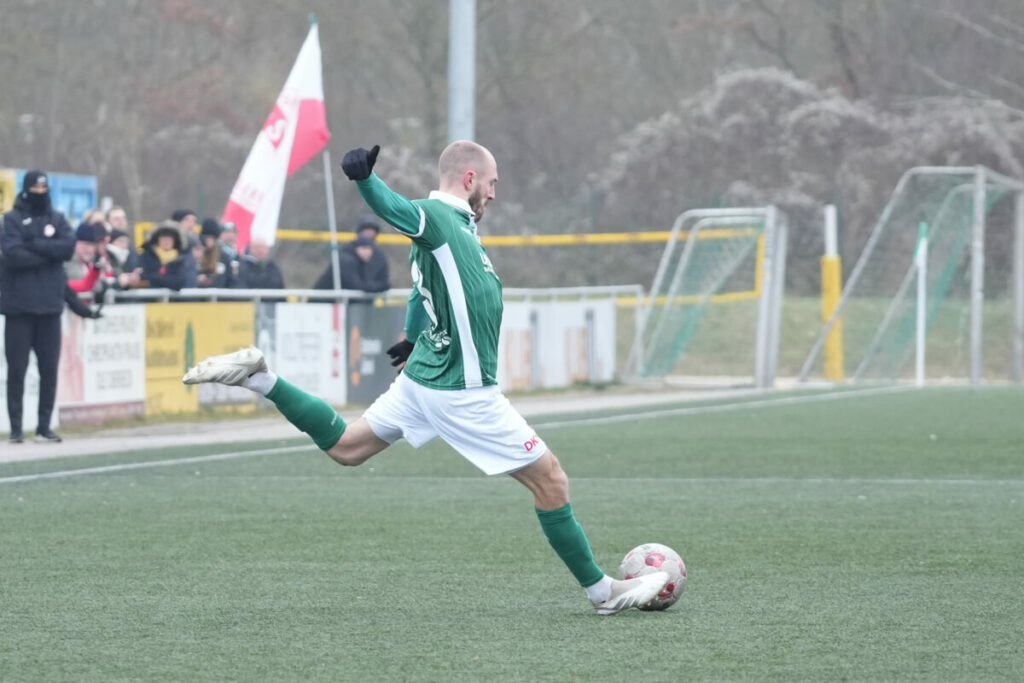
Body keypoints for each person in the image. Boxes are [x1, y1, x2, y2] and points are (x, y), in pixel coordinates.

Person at [182, 141, 668, 615]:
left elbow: (421, 289)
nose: (494, 193)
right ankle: (603, 593)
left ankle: (261, 379)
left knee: (347, 448)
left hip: (422, 379)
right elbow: (398, 211)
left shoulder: (458, 231)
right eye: (492, 183)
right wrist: (366, 180)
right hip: (462, 390)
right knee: (551, 480)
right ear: (470, 178)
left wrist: (413, 337)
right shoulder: (437, 216)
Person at [0, 171, 75, 443]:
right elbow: (13, 255)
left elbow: (67, 248)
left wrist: (34, 245)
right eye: (35, 187)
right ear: (26, 189)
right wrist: (49, 254)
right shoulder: (12, 219)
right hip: (19, 309)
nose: (40, 192)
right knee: (17, 372)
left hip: (50, 308)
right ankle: (16, 429)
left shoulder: (57, 218)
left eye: (44, 187)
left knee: (49, 371)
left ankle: (44, 427)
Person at [313, 215, 391, 292]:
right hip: (329, 298)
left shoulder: (379, 257)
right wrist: (378, 287)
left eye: (372, 230)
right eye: (366, 230)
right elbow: (355, 285)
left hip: (360, 299)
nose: (369, 233)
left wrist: (380, 286)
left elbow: (384, 282)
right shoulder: (345, 256)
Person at [139, 221, 188, 290]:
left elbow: (179, 282)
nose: (166, 241)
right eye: (163, 239)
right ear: (157, 240)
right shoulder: (147, 256)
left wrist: (155, 279)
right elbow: (144, 277)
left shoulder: (181, 259)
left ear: (175, 241)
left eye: (169, 239)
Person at [197, 218, 233, 288]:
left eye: (212, 238)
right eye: (206, 238)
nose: (209, 241)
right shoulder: (197, 254)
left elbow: (230, 280)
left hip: (218, 292)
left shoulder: (223, 257)